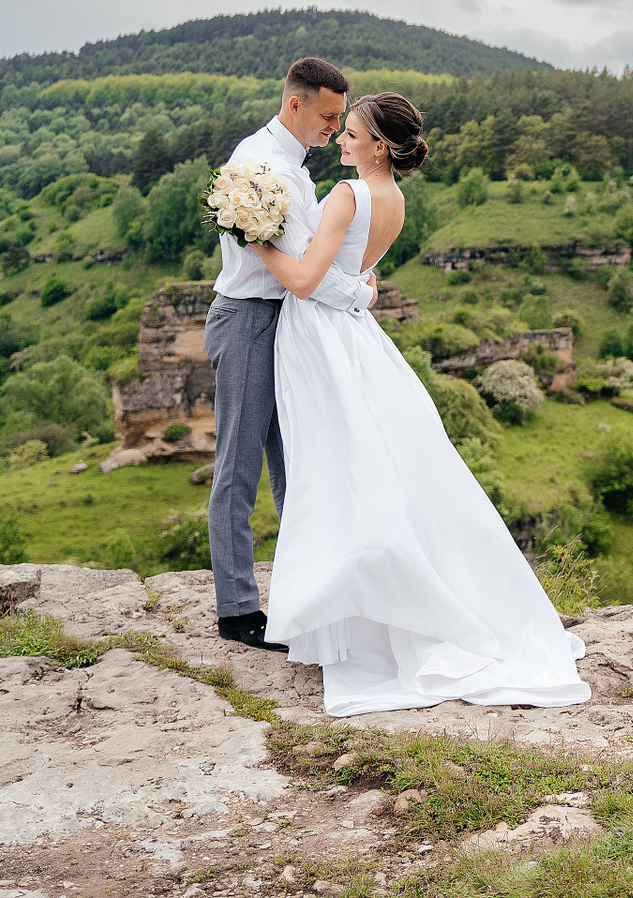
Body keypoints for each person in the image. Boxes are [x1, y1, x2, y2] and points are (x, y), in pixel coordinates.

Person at [251, 91, 590, 714]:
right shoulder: (395, 200)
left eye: (352, 133)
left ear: (379, 146)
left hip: (320, 340)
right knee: (364, 464)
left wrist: (252, 238)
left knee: (330, 466)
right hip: (355, 335)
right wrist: (359, 292)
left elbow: (302, 281)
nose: (341, 139)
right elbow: (364, 280)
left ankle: (357, 617)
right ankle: (355, 608)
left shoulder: (348, 194)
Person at [206, 57, 376, 653]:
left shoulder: (293, 164)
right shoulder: (261, 166)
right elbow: (305, 269)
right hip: (250, 319)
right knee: (239, 466)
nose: (335, 127)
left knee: (296, 463)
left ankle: (303, 597)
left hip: (289, 325)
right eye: (328, 116)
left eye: (341, 118)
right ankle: (237, 611)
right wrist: (361, 295)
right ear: (295, 104)